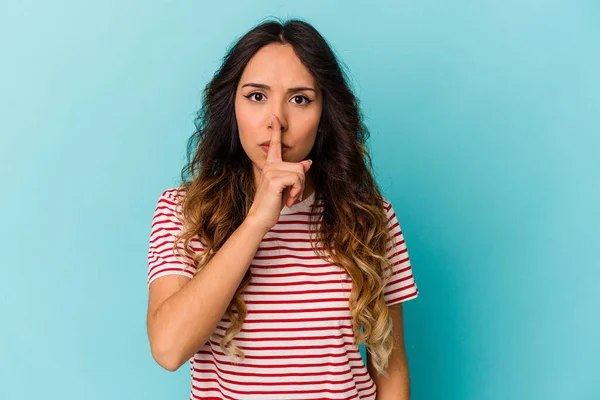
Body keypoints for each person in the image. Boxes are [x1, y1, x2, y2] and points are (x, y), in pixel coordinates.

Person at [146, 17, 419, 400]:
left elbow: (389, 366)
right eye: (257, 96)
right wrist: (258, 221)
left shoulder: (370, 217)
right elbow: (169, 348)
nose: (277, 122)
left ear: (325, 115)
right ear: (232, 106)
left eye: (300, 99)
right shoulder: (183, 211)